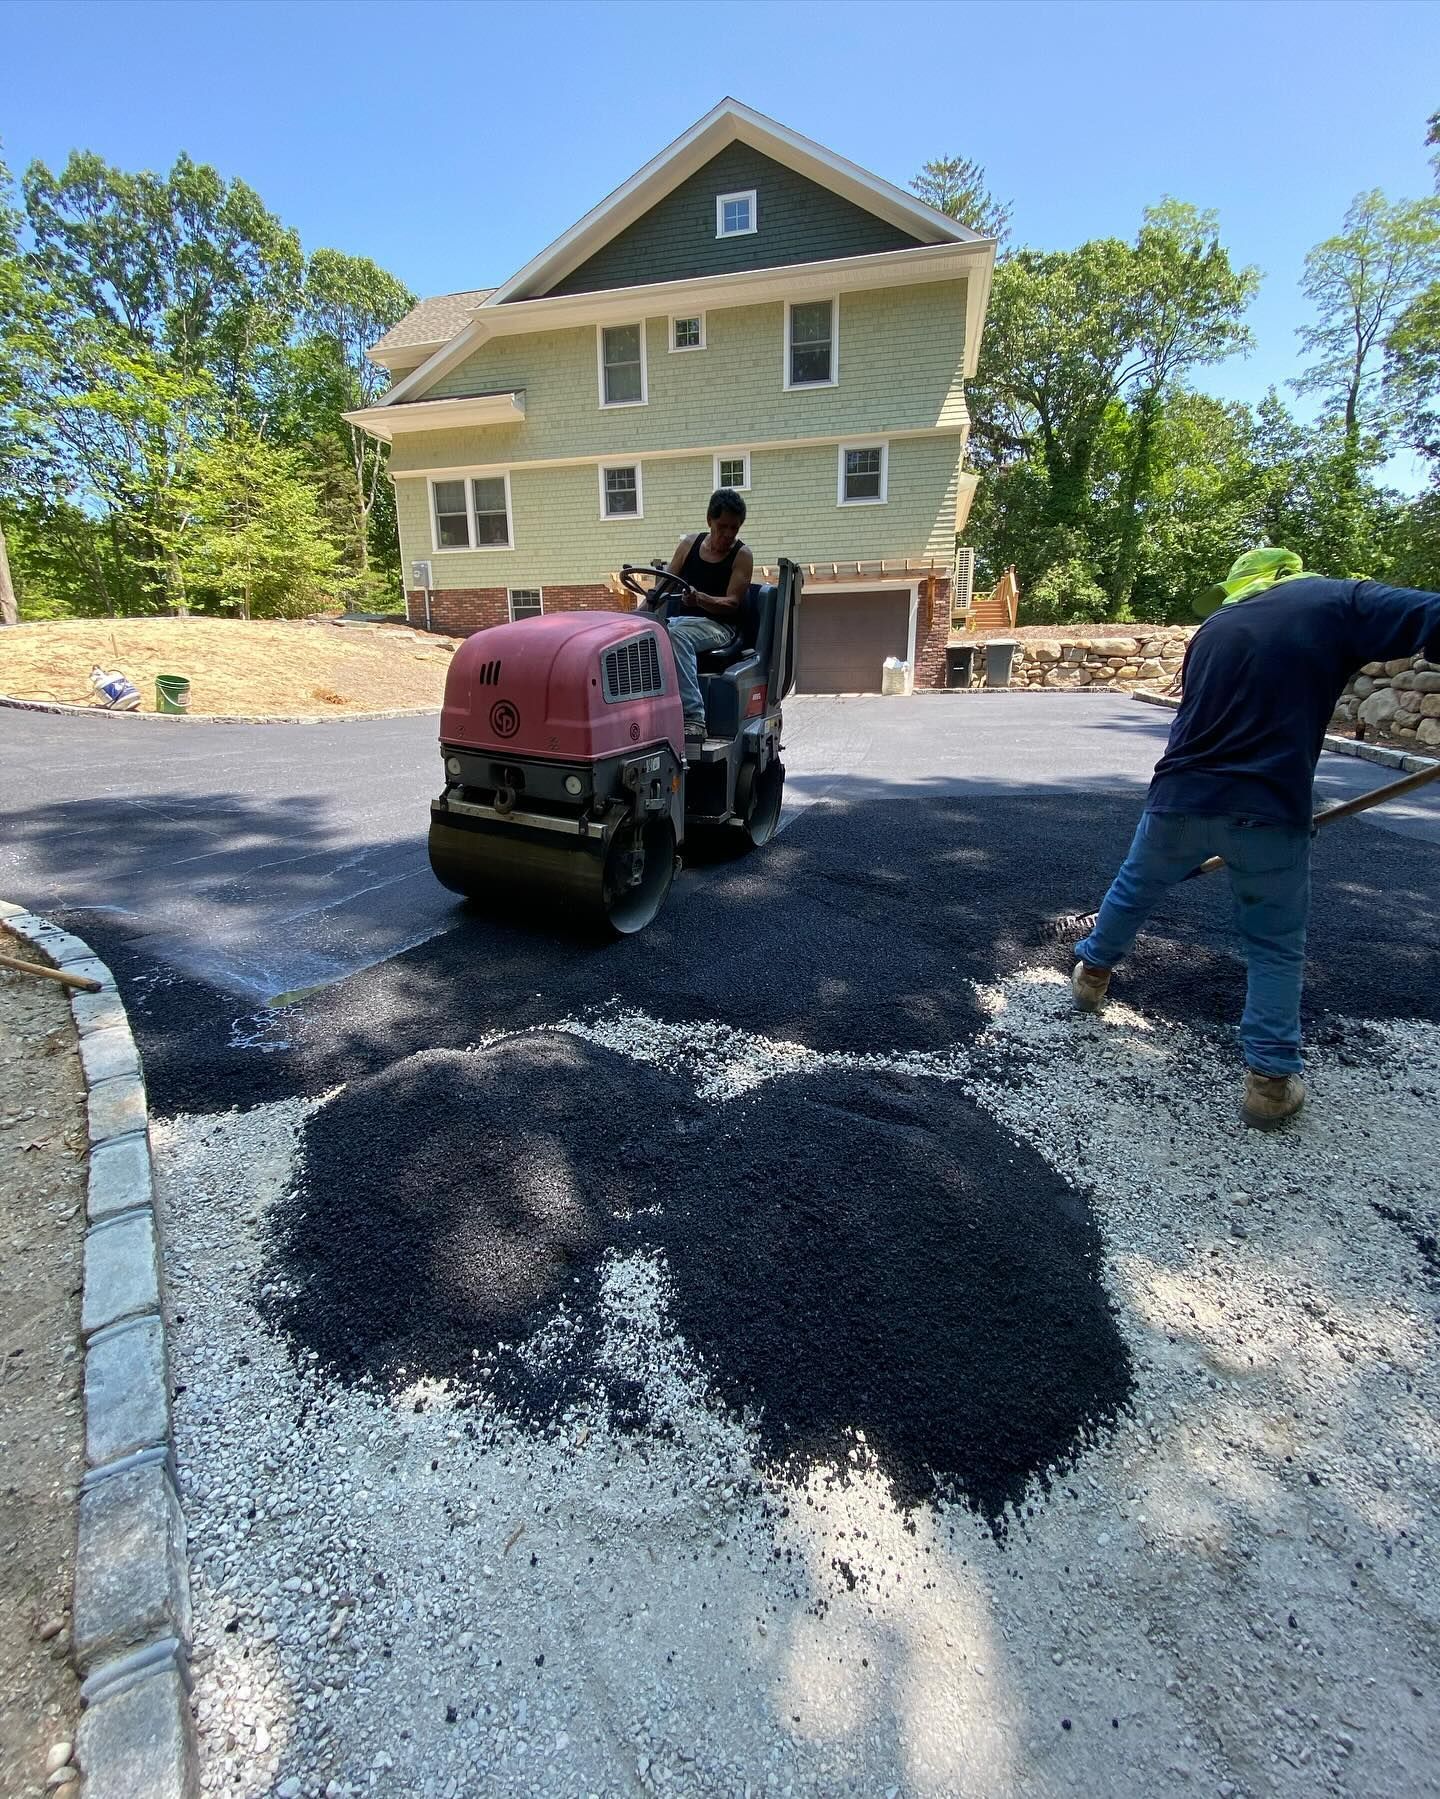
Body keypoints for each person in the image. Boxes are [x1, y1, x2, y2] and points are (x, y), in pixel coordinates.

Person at [1070, 547, 1440, 1129]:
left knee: (1134, 887)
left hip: (1179, 798)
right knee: (1273, 944)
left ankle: (1091, 976)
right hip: (1270, 806)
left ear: (1245, 586)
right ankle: (1269, 1082)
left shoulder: (1213, 630)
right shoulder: (1339, 599)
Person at [661, 489, 755, 742]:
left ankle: (693, 718)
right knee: (646, 635)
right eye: (722, 526)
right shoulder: (689, 545)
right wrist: (636, 618)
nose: (727, 534)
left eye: (734, 528)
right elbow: (663, 587)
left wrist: (700, 598)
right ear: (709, 520)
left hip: (720, 626)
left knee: (675, 636)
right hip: (682, 621)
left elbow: (732, 603)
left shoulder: (742, 556)